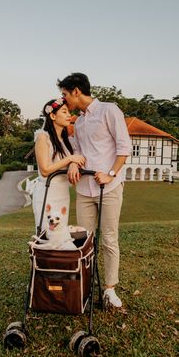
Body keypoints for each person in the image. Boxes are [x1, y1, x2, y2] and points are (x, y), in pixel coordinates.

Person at [58, 73, 131, 308]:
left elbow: (124, 147)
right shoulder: (78, 123)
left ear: (77, 91)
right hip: (84, 189)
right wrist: (72, 163)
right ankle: (86, 287)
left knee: (109, 238)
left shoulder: (110, 111)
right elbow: (77, 151)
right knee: (83, 240)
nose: (64, 99)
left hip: (108, 187)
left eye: (65, 94)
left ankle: (109, 289)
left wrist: (110, 173)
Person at [32, 98, 86, 234]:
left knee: (60, 232)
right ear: (53, 115)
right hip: (47, 191)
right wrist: (70, 159)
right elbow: (45, 170)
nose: (69, 115)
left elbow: (76, 156)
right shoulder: (43, 138)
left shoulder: (67, 141)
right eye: (64, 111)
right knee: (46, 232)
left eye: (69, 112)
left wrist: (73, 162)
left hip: (63, 193)